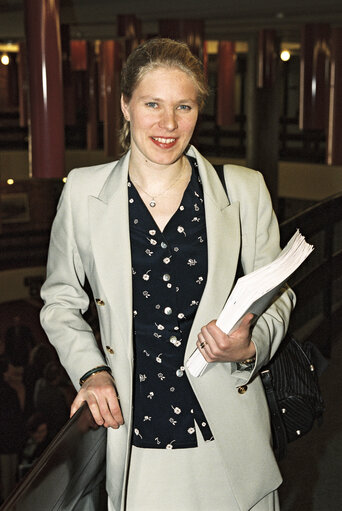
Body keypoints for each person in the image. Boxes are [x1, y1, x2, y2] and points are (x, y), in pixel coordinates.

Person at [40, 38, 295, 511]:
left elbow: (279, 293)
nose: (169, 124)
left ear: (199, 110)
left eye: (184, 106)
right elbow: (59, 300)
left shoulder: (243, 189)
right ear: (125, 105)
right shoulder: (83, 191)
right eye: (152, 104)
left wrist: (251, 343)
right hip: (135, 442)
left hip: (227, 437)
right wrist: (91, 370)